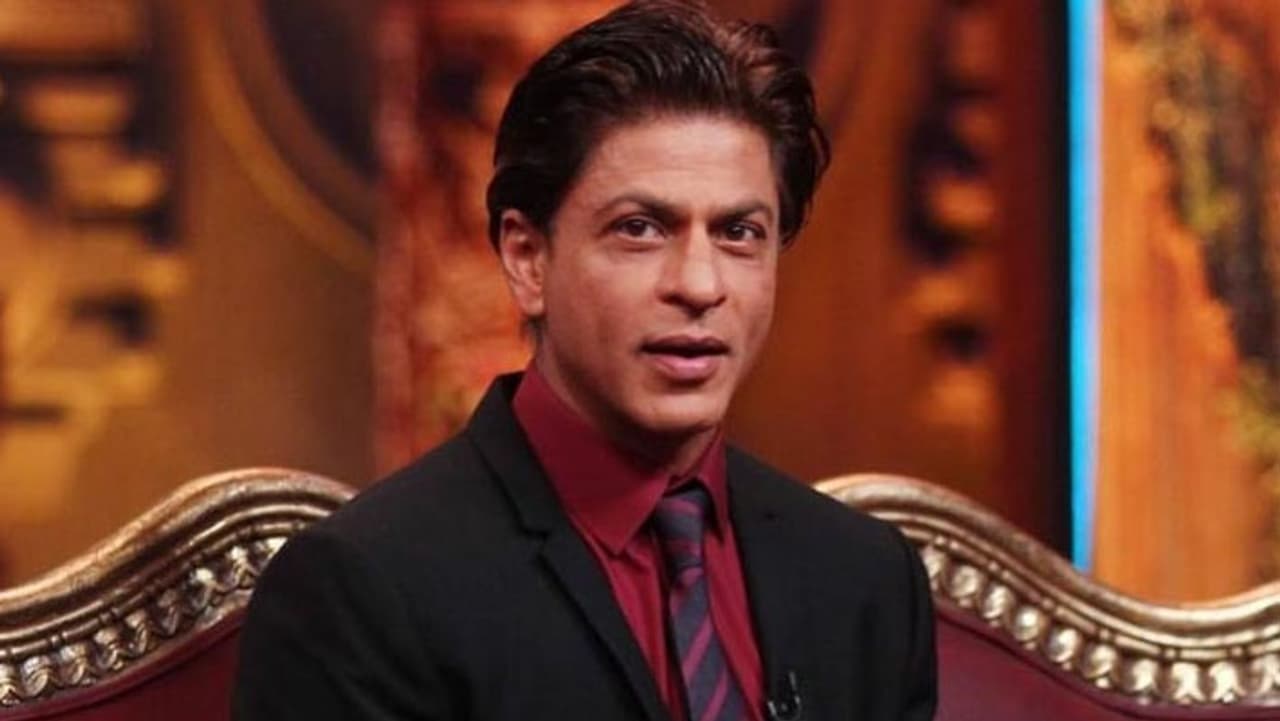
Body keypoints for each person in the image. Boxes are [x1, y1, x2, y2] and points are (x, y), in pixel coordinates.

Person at [232, 2, 937, 720]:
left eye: (738, 232)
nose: (700, 284)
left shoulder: (867, 580)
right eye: (640, 228)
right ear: (527, 259)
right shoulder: (366, 588)